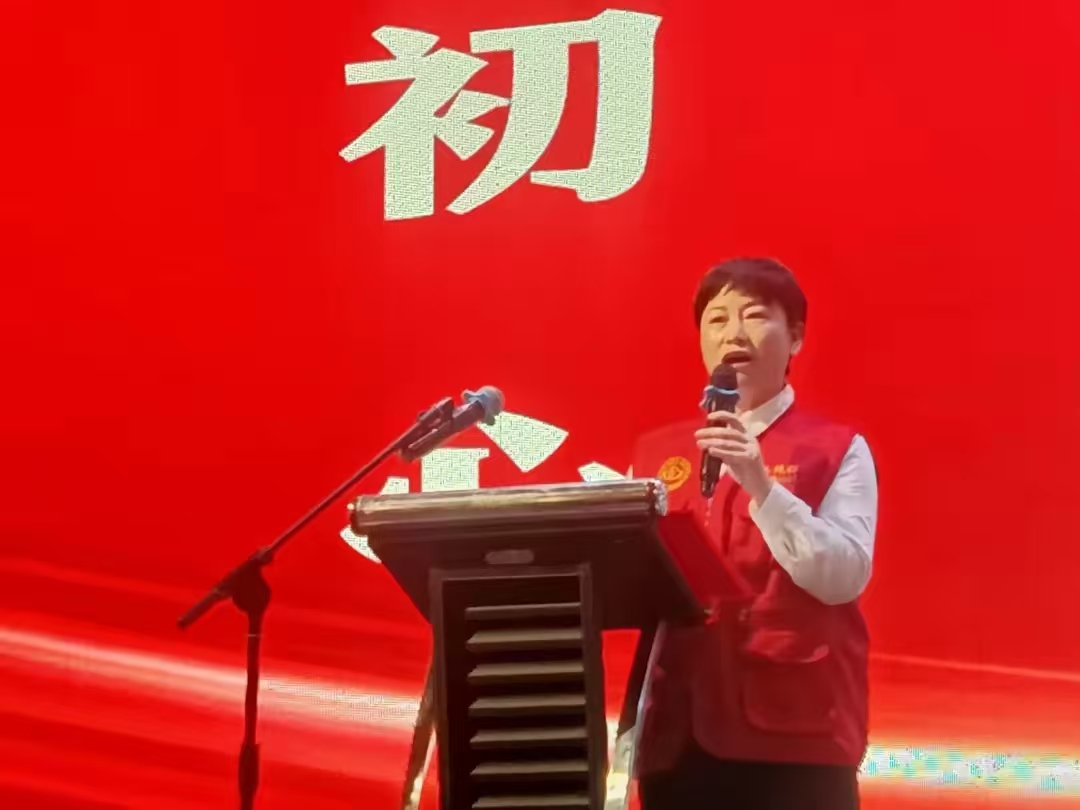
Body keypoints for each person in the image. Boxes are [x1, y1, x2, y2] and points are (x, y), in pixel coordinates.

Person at [630, 257, 878, 810]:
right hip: (676, 735)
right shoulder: (654, 454)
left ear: (796, 338)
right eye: (717, 320)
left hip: (794, 734)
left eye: (755, 316)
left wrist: (761, 486)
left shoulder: (834, 448)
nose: (733, 334)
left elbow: (842, 577)